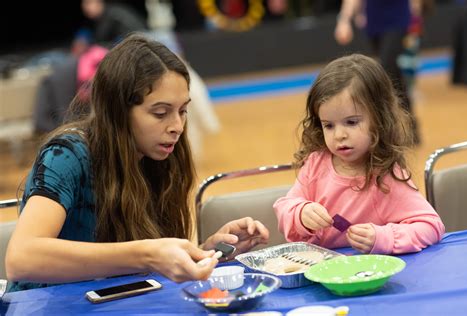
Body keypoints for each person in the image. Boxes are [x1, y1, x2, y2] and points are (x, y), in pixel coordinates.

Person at [5, 34, 269, 292]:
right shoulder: (66, 155)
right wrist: (148, 254)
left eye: (183, 110)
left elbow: (137, 265)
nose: (177, 126)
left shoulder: (161, 158)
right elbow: (21, 259)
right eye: (160, 113)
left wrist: (203, 255)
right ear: (117, 111)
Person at [273, 54, 444, 255]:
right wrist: (300, 214)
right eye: (328, 125)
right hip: (322, 276)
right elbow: (284, 207)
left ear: (379, 119)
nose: (339, 135)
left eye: (351, 122)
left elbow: (431, 226)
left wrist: (383, 237)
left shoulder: (386, 176)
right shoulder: (316, 164)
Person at [334, 0, 420, 144]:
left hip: (398, 18)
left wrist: (416, 16)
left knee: (386, 69)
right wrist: (344, 20)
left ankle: (386, 128)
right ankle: (411, 126)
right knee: (394, 76)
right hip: (374, 20)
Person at [72, 0, 147, 55]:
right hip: (133, 42)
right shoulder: (103, 16)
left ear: (98, 2)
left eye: (88, 3)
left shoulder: (111, 14)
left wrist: (88, 47)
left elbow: (101, 41)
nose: (85, 8)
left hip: (138, 43)